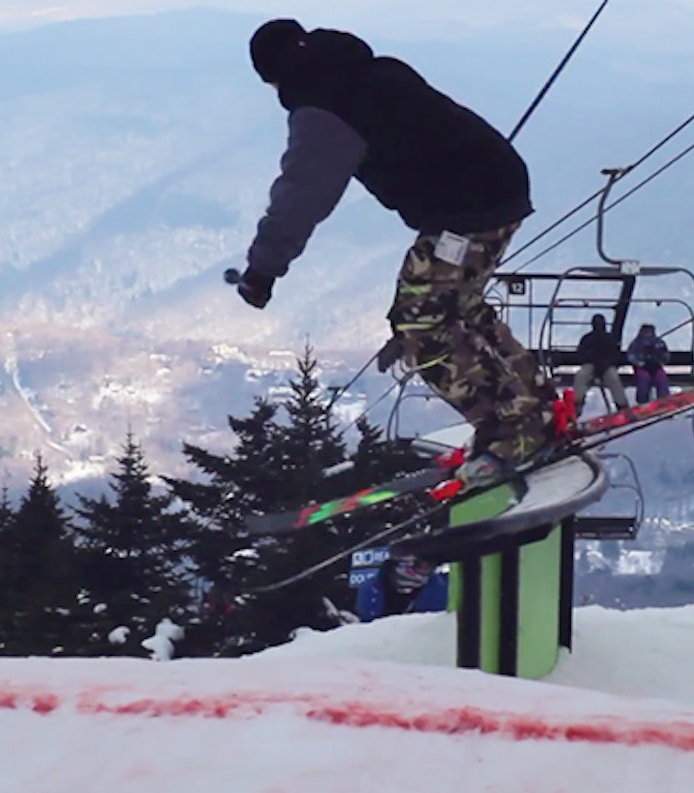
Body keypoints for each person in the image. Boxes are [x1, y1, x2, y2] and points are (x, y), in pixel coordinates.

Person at [237, 19, 555, 488]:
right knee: (460, 307)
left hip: (467, 210)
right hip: (499, 186)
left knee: (420, 323)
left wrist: (263, 268)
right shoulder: (371, 70)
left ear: (274, 76)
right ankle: (536, 408)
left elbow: (303, 194)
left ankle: (512, 436)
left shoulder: (324, 108)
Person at [355, 556, 448, 622]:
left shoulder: (438, 588)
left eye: (431, 566)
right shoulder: (371, 589)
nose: (427, 571)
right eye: (421, 566)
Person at [572, 313, 629, 415]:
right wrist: (591, 359)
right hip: (591, 365)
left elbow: (615, 355)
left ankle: (622, 405)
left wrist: (606, 363)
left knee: (613, 378)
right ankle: (577, 405)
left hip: (606, 366)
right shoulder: (587, 339)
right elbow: (580, 354)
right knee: (581, 376)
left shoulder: (609, 338)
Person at [626, 324, 671, 404]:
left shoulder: (659, 343)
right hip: (642, 367)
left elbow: (666, 355)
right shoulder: (636, 343)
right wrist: (640, 362)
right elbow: (630, 356)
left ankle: (664, 401)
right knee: (643, 380)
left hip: (656, 367)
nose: (647, 333)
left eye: (649, 331)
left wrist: (659, 358)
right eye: (645, 331)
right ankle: (642, 402)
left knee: (662, 380)